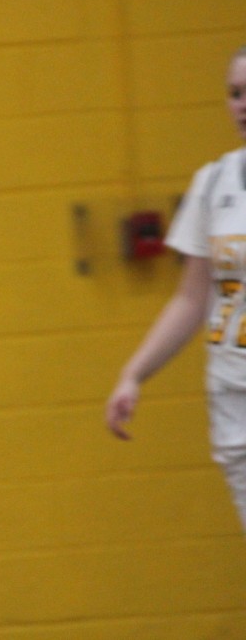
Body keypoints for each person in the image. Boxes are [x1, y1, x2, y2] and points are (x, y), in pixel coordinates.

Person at [106, 45, 246, 532]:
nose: (242, 104)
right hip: (233, 394)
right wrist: (134, 374)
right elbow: (190, 298)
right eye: (234, 93)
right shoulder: (214, 183)